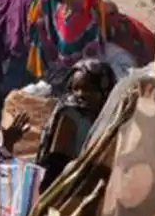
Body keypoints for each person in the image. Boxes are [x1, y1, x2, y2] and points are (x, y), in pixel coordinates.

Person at [35, 59, 118, 190]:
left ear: (105, 90)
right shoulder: (70, 114)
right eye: (76, 89)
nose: (80, 94)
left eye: (88, 89)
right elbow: (56, 164)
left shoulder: (115, 118)